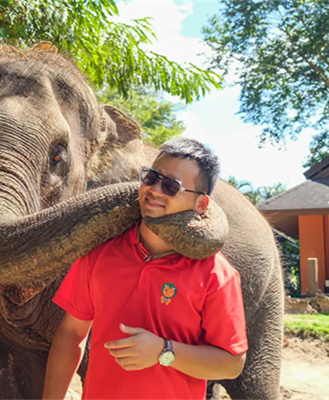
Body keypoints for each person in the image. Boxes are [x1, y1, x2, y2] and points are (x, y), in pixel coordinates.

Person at [43, 138, 248, 400]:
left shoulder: (215, 274)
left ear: (201, 205)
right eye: (151, 177)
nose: (155, 190)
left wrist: (164, 352)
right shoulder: (101, 253)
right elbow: (71, 334)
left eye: (172, 186)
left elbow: (232, 363)